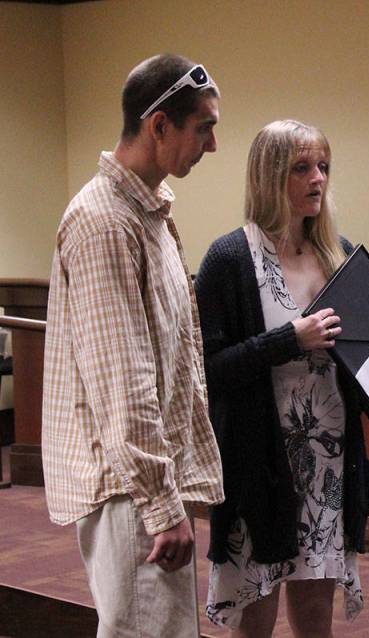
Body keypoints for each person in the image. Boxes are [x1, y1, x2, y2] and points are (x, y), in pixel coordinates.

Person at [195, 119, 369, 636]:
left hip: (327, 464)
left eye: (323, 167)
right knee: (256, 620)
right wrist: (289, 339)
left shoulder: (338, 254)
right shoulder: (229, 259)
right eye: (302, 168)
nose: (318, 179)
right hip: (260, 466)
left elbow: (359, 360)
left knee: (316, 619)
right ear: (270, 175)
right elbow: (207, 371)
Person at [41, 54, 224, 637]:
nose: (212, 144)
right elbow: (124, 381)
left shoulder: (146, 210)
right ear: (159, 125)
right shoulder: (104, 223)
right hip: (132, 491)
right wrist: (161, 505)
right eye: (204, 127)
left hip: (148, 484)